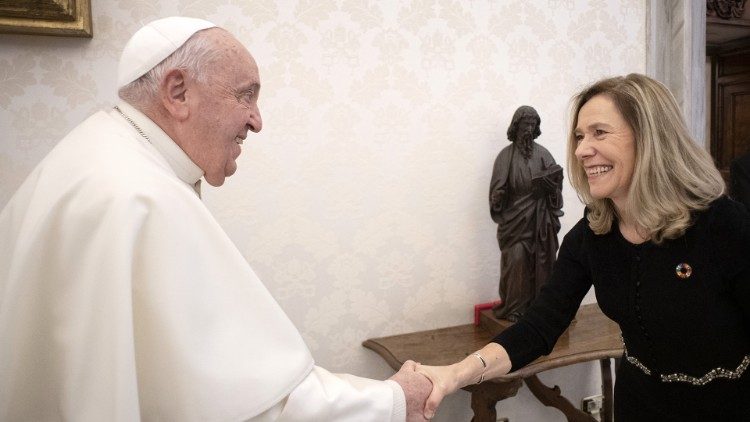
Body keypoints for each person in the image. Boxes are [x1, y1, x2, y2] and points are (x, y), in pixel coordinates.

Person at [0, 17, 431, 422]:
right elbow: (251, 408)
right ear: (178, 92)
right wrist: (394, 400)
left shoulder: (94, 153)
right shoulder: (141, 196)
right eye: (246, 95)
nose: (257, 121)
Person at [415, 73, 750, 420]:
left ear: (650, 137)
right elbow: (539, 326)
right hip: (638, 406)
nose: (580, 150)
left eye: (599, 132)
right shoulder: (593, 234)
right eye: (579, 136)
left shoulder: (724, 225)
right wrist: (456, 373)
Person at [490, 105, 564, 321]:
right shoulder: (505, 156)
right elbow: (497, 190)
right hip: (515, 222)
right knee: (517, 260)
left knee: (544, 263)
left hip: (541, 220)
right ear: (516, 126)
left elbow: (556, 186)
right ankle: (515, 308)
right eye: (525, 125)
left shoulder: (544, 154)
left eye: (533, 125)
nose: (529, 129)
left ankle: (541, 308)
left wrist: (552, 188)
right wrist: (497, 197)